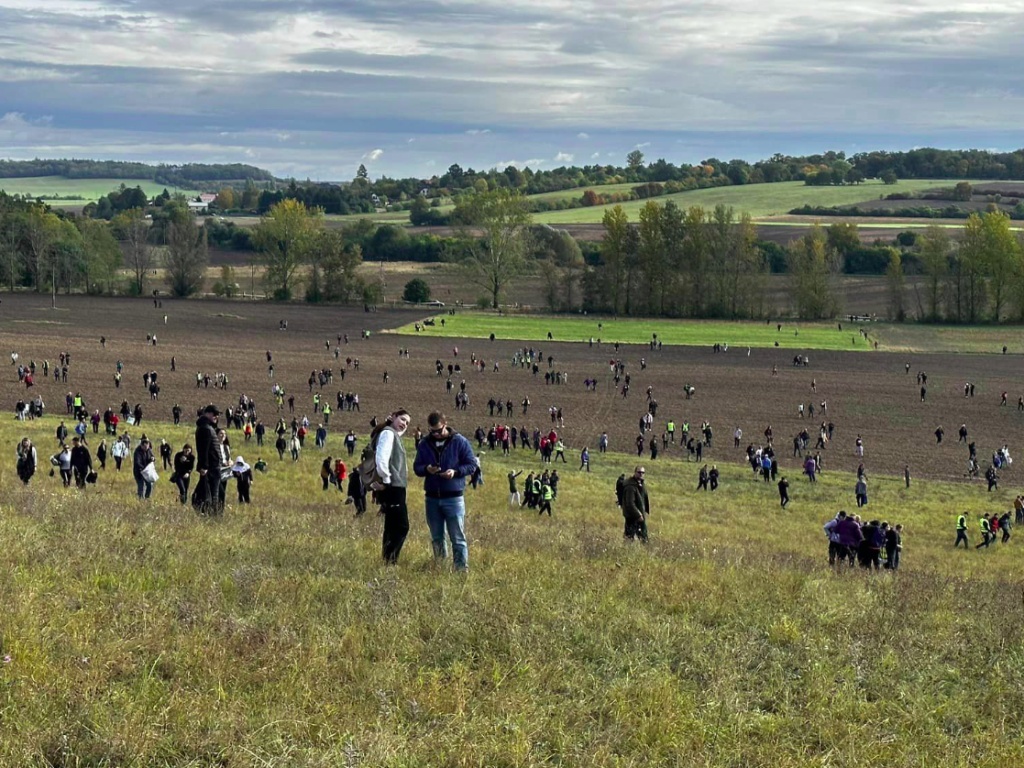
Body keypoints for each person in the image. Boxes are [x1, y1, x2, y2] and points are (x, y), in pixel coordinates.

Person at [413, 411, 476, 572]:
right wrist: (427, 469)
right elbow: (417, 467)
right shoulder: (425, 443)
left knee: (457, 537)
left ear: (445, 425)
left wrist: (455, 472)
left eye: (439, 431)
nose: (436, 434)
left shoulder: (459, 441)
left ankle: (460, 569)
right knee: (437, 537)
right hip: (432, 498)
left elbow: (471, 465)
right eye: (432, 431)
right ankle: (440, 567)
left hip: (453, 498)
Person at [374, 409, 412, 564]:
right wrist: (387, 480)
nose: (405, 424)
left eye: (407, 423)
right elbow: (381, 459)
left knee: (391, 525)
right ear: (394, 417)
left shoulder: (391, 434)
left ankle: (387, 561)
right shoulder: (388, 434)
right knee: (402, 526)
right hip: (393, 486)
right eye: (402, 419)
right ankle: (390, 560)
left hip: (394, 485)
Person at [194, 404, 223, 514]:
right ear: (208, 414)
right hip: (211, 467)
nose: (216, 417)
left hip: (212, 466)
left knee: (214, 493)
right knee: (212, 494)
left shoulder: (206, 427)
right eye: (214, 414)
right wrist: (204, 466)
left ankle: (210, 513)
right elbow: (203, 449)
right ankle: (212, 515)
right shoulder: (205, 428)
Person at [621, 466, 650, 542]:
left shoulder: (640, 484)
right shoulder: (630, 486)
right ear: (635, 472)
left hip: (640, 514)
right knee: (630, 537)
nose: (641, 474)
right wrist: (638, 515)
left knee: (642, 537)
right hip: (632, 516)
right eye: (639, 472)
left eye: (643, 472)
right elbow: (630, 503)